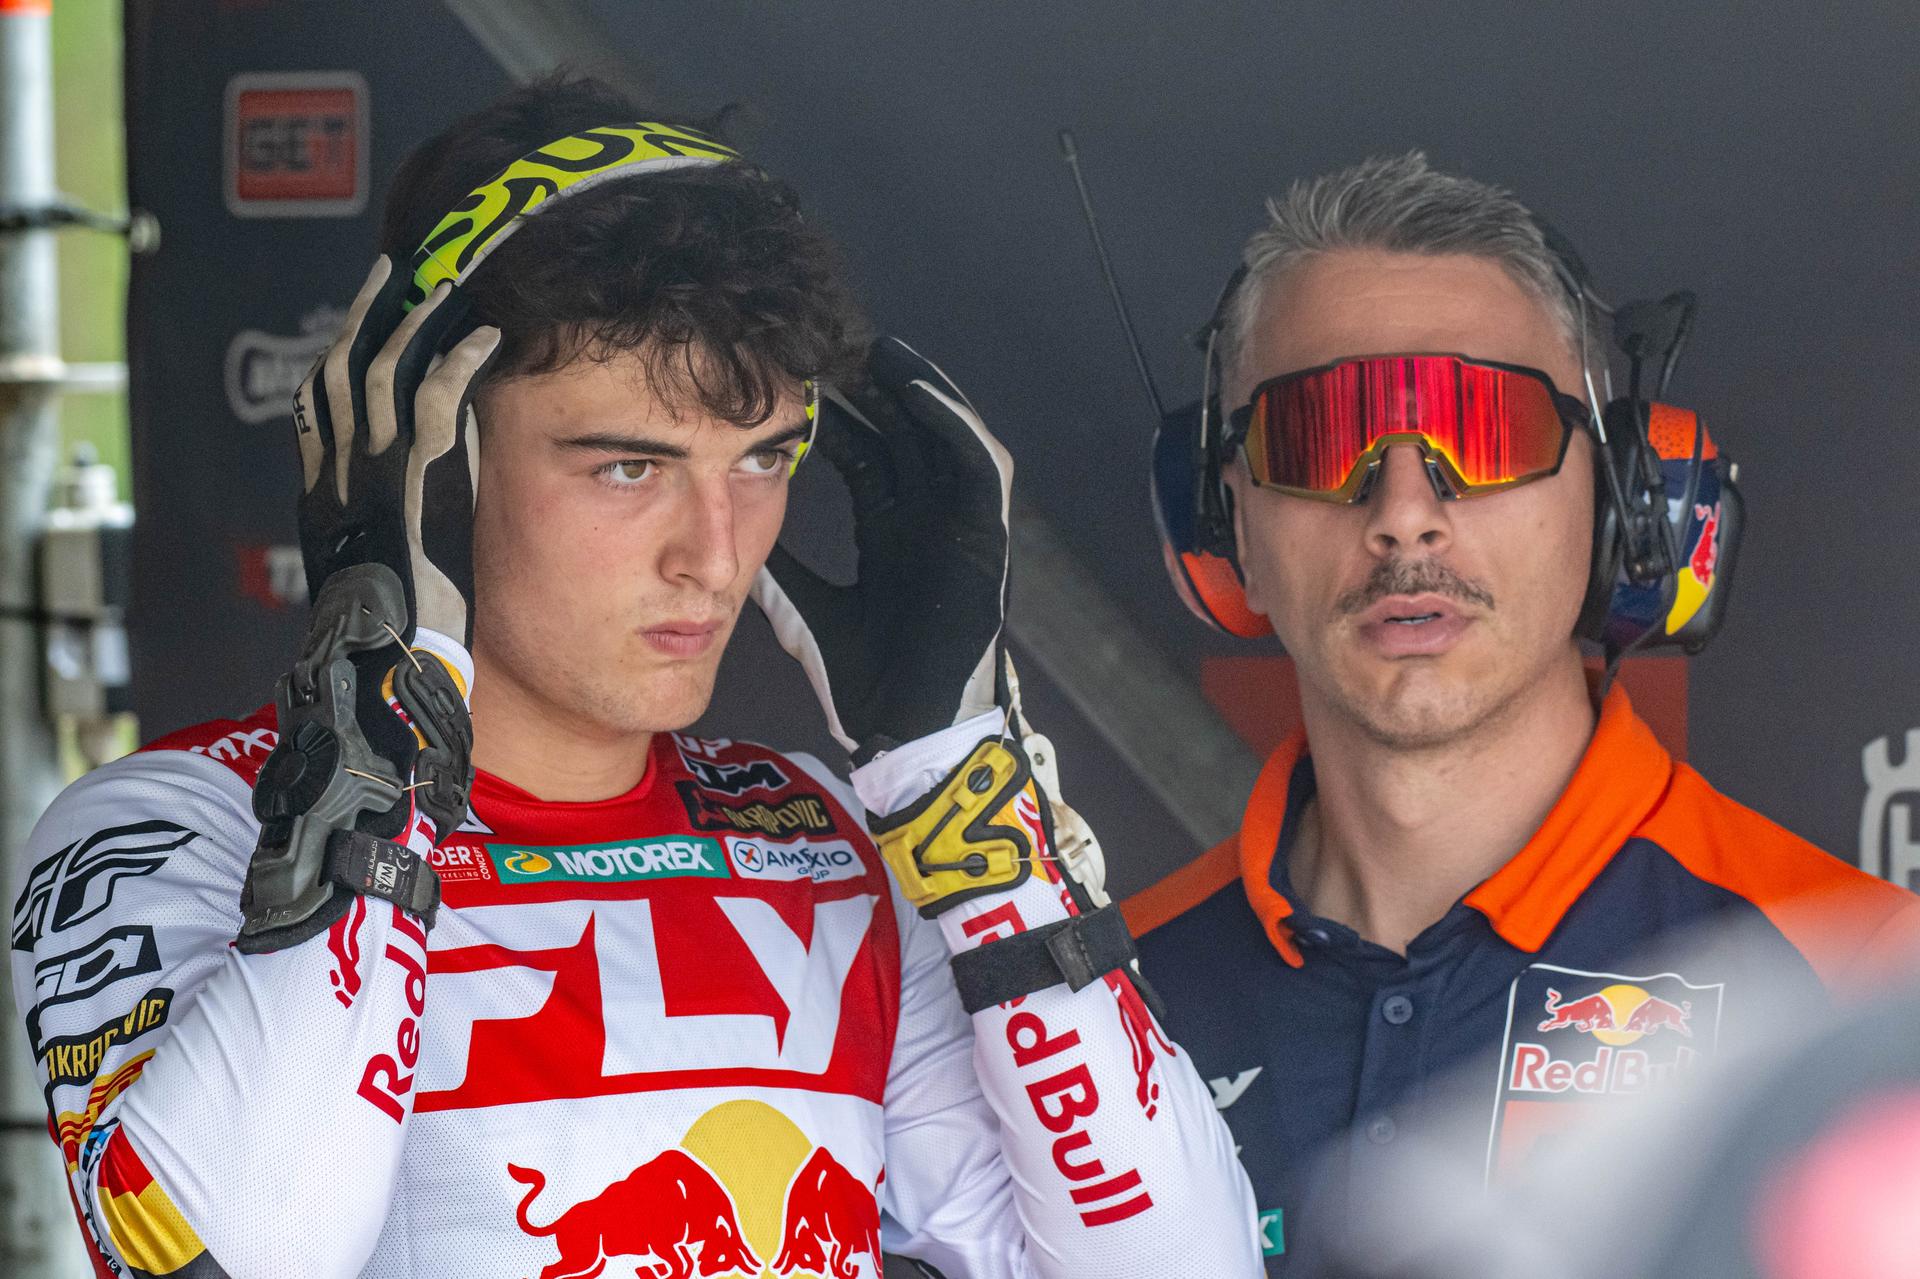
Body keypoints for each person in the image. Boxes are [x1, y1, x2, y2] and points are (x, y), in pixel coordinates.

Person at [10, 78, 1260, 1279]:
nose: (714, 557)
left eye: (763, 460)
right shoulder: (177, 827)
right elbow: (242, 1256)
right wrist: (378, 725)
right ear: (423, 457)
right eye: (629, 468)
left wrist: (968, 792)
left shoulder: (825, 841)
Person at [1119, 152, 1920, 1271]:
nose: (1405, 515)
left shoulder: (1866, 987)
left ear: (1623, 503)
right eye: (1318, 437)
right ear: (1224, 524)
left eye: (1484, 432)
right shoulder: (1100, 1011)